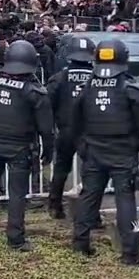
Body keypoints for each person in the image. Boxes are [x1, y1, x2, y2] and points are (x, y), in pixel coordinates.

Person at [69, 39, 139, 265]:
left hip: (94, 151)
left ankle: (80, 242)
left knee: (89, 197)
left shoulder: (87, 87)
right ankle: (131, 252)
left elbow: (74, 121)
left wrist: (82, 145)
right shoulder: (131, 89)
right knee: (126, 202)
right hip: (122, 153)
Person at [0, 40, 56, 252]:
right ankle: (15, 239)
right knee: (17, 194)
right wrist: (48, 149)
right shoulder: (34, 91)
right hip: (20, 148)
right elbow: (46, 128)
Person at [45, 35, 95, 220]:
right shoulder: (97, 78)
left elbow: (47, 104)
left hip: (65, 129)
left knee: (61, 169)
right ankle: (91, 213)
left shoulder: (59, 77)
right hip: (89, 131)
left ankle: (54, 205)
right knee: (91, 172)